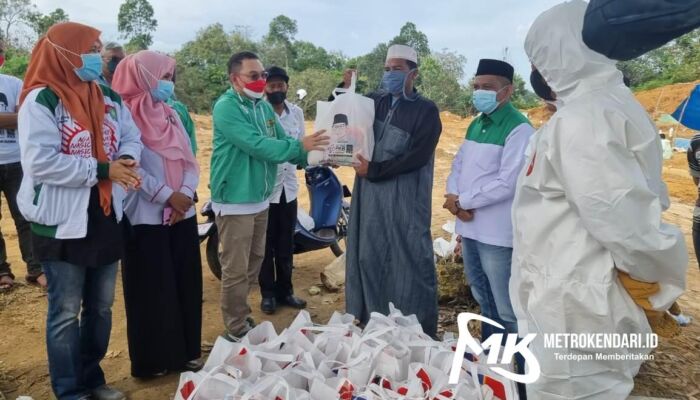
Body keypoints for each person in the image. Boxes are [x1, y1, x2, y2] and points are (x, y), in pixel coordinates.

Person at [512, 1, 688, 398]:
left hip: (577, 305)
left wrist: (656, 283)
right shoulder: (597, 106)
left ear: (560, 50)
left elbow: (624, 221)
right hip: (572, 295)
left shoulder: (584, 119)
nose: (537, 73)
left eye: (538, 60)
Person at [17, 22, 142, 400]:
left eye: (99, 47)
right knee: (65, 311)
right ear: (65, 52)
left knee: (101, 308)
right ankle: (70, 391)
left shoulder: (106, 95)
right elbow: (41, 162)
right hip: (60, 221)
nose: (97, 55)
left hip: (104, 214)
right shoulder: (42, 99)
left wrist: (125, 157)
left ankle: (92, 379)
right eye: (92, 47)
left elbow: (132, 136)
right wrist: (103, 170)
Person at [210, 51, 328, 339]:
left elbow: (281, 140)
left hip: (261, 197)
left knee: (254, 262)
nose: (261, 80)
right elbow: (259, 145)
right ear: (234, 78)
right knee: (236, 268)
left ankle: (243, 314)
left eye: (262, 75)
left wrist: (311, 151)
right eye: (254, 75)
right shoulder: (227, 108)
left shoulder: (261, 109)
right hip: (236, 198)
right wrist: (301, 146)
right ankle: (235, 327)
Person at [112, 50, 202, 378]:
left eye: (169, 77)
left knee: (184, 284)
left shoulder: (170, 113)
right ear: (144, 77)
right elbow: (128, 167)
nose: (168, 84)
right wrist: (168, 196)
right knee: (152, 289)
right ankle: (153, 361)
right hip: (146, 217)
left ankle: (186, 353)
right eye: (163, 77)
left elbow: (189, 158)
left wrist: (187, 195)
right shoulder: (122, 117)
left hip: (182, 215)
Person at [344, 44, 442, 337]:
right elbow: (340, 118)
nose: (390, 75)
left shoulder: (426, 110)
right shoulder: (375, 101)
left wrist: (374, 170)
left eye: (397, 69)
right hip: (370, 197)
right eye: (387, 69)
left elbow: (418, 156)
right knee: (369, 255)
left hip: (405, 198)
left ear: (414, 73)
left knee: (409, 258)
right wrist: (345, 90)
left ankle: (417, 329)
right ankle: (374, 322)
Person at [445, 59, 534, 344]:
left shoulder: (519, 128)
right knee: (483, 298)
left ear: (507, 92)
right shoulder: (476, 124)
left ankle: (515, 373)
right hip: (470, 228)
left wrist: (464, 201)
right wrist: (452, 197)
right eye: (476, 87)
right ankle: (491, 362)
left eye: (488, 87)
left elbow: (508, 182)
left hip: (497, 234)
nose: (479, 92)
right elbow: (459, 163)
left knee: (506, 308)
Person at [257, 65, 307, 314]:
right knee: (265, 246)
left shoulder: (296, 113)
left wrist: (313, 158)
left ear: (287, 86)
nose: (276, 89)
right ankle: (267, 294)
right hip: (266, 189)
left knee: (286, 244)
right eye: (272, 85)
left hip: (289, 189)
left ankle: (286, 291)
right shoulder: (258, 112)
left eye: (280, 85)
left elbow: (302, 146)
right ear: (265, 87)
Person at [0, 38, 44, 290]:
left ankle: (35, 269)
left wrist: (13, 118)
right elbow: (14, 117)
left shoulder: (15, 83)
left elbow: (22, 119)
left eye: (1, 50)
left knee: (26, 216)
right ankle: (2, 272)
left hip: (17, 160)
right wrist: (10, 118)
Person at [166, 69, 197, 156]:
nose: (166, 82)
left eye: (169, 78)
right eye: (164, 77)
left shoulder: (178, 109)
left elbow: (190, 140)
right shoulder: (136, 110)